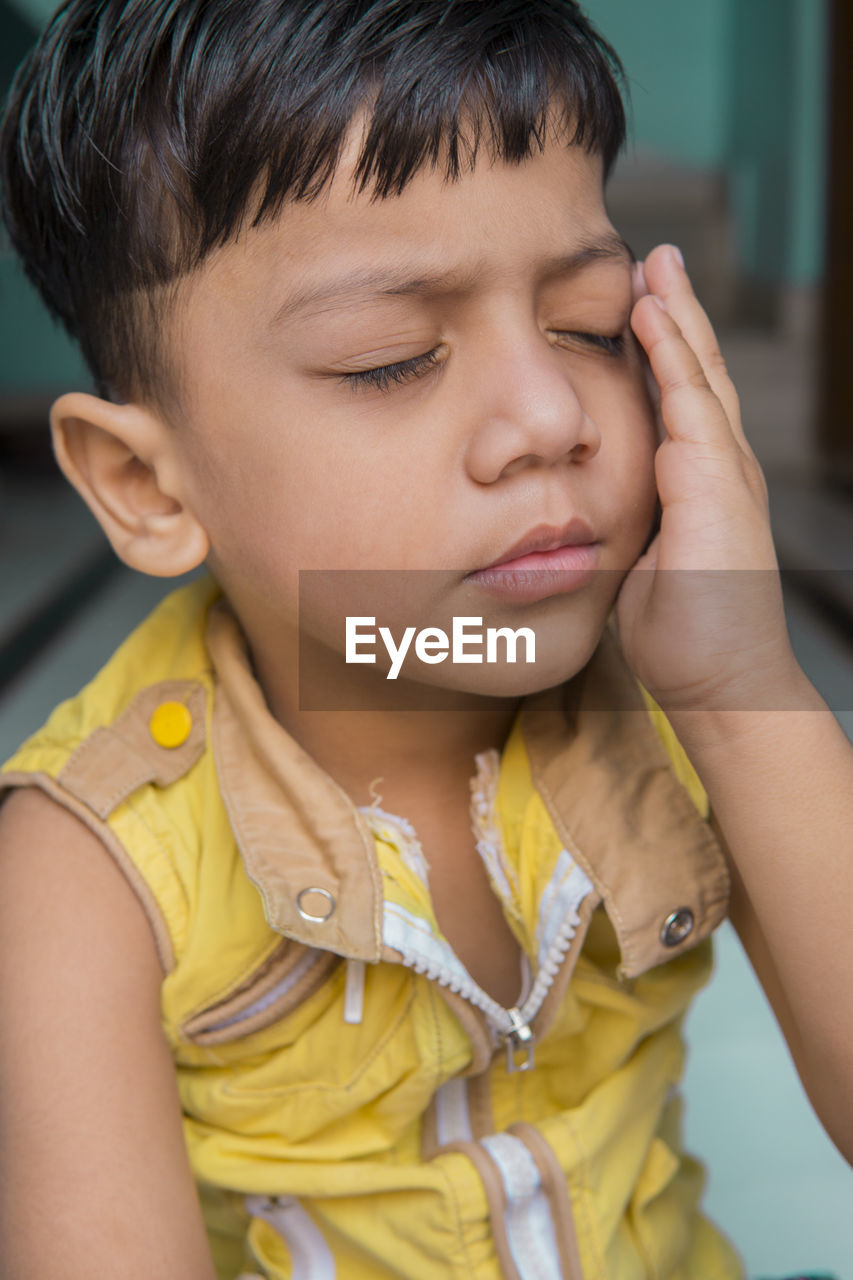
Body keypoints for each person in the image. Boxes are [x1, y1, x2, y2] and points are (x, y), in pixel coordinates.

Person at [0, 1, 850, 1276]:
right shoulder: (87, 875)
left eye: (587, 322)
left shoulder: (673, 700)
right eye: (390, 358)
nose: (549, 413)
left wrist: (736, 688)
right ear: (147, 486)